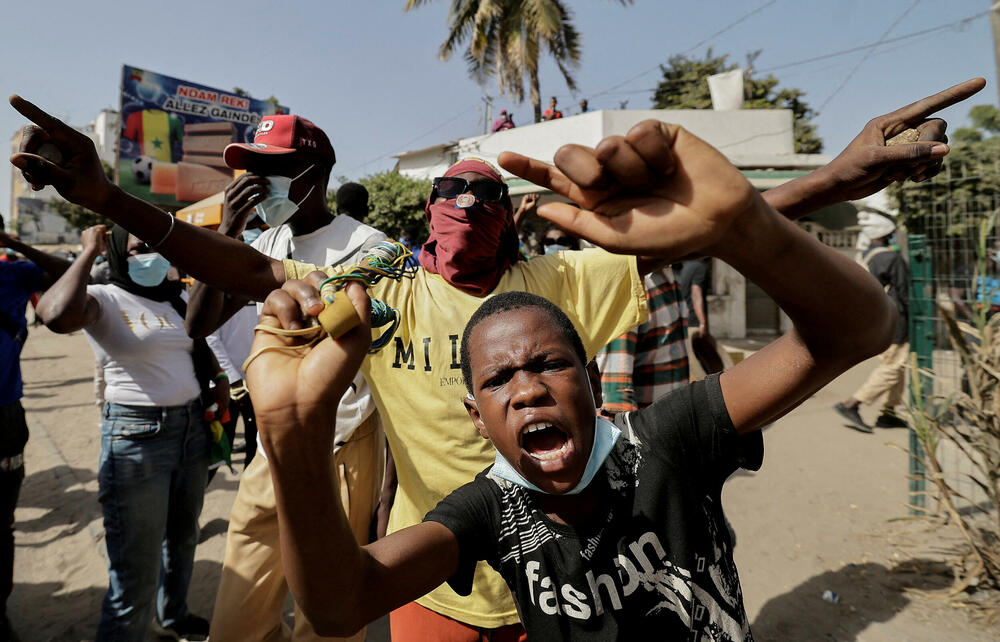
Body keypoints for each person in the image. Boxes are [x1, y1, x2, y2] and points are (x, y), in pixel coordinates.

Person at [8, 76, 983, 638]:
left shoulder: (565, 285)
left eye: (486, 194)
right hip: (432, 580)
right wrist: (112, 203)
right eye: (452, 193)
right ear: (426, 219)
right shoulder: (382, 290)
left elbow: (698, 231)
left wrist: (833, 180)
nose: (469, 205)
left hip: (574, 577)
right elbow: (247, 265)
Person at [242, 118, 899, 639]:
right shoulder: (487, 506)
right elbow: (339, 604)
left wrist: (775, 210)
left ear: (594, 371)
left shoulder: (657, 433)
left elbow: (840, 324)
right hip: (440, 588)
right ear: (476, 410)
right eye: (498, 378)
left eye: (551, 362)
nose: (527, 388)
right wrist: (291, 434)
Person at [185, 114, 388, 642]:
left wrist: (388, 484)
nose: (256, 179)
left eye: (272, 168)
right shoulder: (265, 244)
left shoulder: (370, 248)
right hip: (270, 453)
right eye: (250, 166)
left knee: (328, 623)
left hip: (343, 449)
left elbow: (391, 368)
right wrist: (227, 232)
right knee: (235, 622)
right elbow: (198, 322)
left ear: (315, 172)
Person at [35, 224, 224, 640]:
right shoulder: (104, 297)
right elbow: (53, 314)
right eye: (140, 249)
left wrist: (216, 381)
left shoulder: (173, 297)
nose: (151, 256)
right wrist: (87, 254)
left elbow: (195, 343)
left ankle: (173, 615)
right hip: (138, 438)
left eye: (158, 248)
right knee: (135, 568)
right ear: (118, 252)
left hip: (191, 430)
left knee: (182, 539)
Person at [0, 225, 71, 639]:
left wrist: (16, 245)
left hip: (5, 415)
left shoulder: (13, 274)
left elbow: (68, 272)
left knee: (2, 522)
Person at [834, 208, 910, 432]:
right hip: (898, 322)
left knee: (895, 367)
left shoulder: (866, 256)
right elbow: (905, 295)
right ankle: (851, 404)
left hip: (879, 321)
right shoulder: (893, 258)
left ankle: (888, 413)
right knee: (893, 368)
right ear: (887, 231)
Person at [596, 266, 689, 413]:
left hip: (673, 421)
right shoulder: (630, 284)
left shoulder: (668, 274)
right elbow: (616, 399)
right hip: (651, 428)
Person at [678, 257, 728, 378]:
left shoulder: (687, 266)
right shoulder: (700, 267)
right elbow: (696, 293)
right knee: (702, 366)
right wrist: (702, 322)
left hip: (685, 319)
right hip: (695, 322)